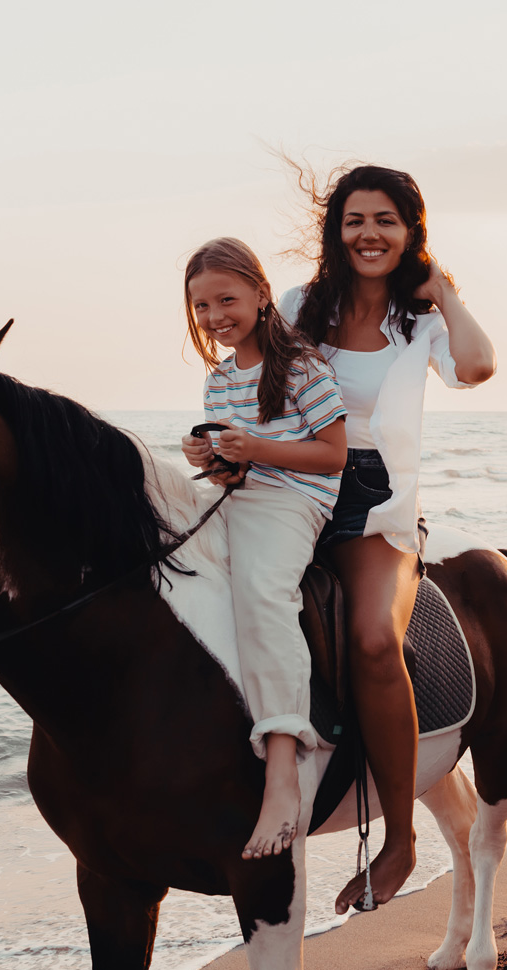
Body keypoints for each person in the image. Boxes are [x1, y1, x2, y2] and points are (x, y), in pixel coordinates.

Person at [280, 164, 496, 914]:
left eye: (385, 221)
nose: (368, 234)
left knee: (374, 636)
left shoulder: (422, 320)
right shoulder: (298, 307)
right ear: (336, 232)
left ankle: (400, 837)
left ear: (410, 234)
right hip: (295, 486)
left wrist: (445, 292)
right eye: (354, 221)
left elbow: (478, 366)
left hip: (379, 504)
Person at [178, 237, 349, 860]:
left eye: (227, 299)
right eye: (202, 306)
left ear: (259, 294)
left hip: (296, 500)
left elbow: (333, 454)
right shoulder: (218, 378)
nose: (216, 316)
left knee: (263, 593)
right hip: (242, 495)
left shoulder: (301, 365)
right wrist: (214, 460)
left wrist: (254, 449)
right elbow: (234, 470)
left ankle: (283, 765)